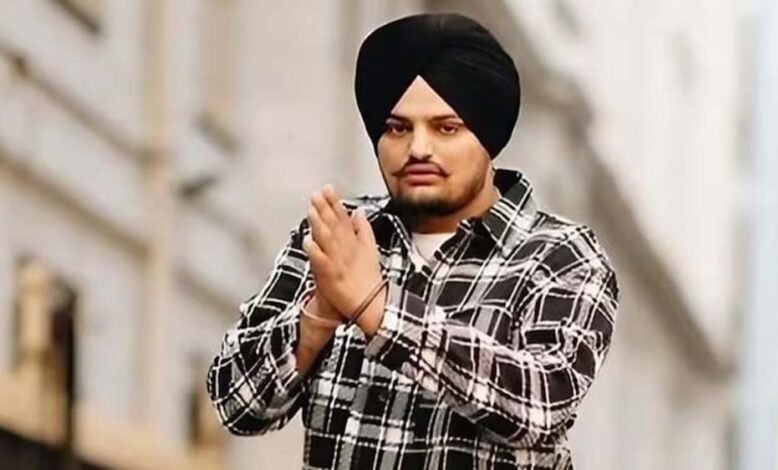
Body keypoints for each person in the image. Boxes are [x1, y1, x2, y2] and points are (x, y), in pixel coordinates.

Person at [206, 12, 620, 470]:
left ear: (489, 137)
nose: (418, 149)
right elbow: (235, 403)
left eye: (446, 128)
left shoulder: (561, 255)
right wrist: (318, 316)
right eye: (398, 128)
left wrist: (378, 310)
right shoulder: (338, 238)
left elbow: (540, 406)